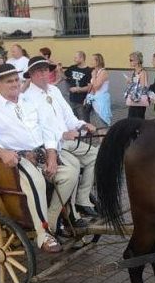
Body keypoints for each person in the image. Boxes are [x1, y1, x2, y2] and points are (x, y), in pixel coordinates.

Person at [0, 64, 77, 253]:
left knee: (70, 174)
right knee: (37, 181)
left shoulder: (28, 101)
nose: (15, 84)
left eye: (16, 80)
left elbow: (47, 131)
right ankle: (43, 234)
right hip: (17, 158)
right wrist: (3, 153)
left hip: (41, 153)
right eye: (9, 81)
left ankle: (51, 219)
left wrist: (52, 156)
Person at [21, 56, 100, 224]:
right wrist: (62, 135)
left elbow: (68, 117)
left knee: (96, 155)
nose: (44, 74)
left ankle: (83, 199)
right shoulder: (27, 98)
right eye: (39, 71)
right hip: (51, 146)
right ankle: (66, 213)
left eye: (46, 70)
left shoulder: (54, 91)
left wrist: (82, 125)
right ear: (31, 75)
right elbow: (36, 131)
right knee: (74, 166)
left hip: (67, 141)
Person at [65, 51, 93, 120]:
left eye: (76, 58)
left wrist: (78, 89)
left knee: (84, 122)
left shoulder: (89, 71)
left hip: (82, 101)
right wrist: (59, 70)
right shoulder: (72, 68)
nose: (74, 59)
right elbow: (65, 77)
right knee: (74, 121)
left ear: (81, 58)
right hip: (72, 100)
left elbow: (90, 87)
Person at [87, 52, 113, 126]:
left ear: (98, 61)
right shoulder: (95, 72)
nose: (91, 62)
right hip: (94, 100)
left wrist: (94, 76)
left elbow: (96, 86)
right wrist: (88, 97)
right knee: (95, 124)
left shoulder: (103, 72)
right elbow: (92, 87)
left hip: (101, 101)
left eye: (93, 60)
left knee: (101, 124)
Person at [123, 51, 150, 119]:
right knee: (131, 119)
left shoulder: (142, 72)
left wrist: (131, 81)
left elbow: (142, 87)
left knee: (137, 119)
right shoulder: (135, 71)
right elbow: (135, 84)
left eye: (131, 60)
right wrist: (131, 82)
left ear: (137, 61)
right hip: (134, 99)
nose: (130, 62)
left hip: (139, 100)